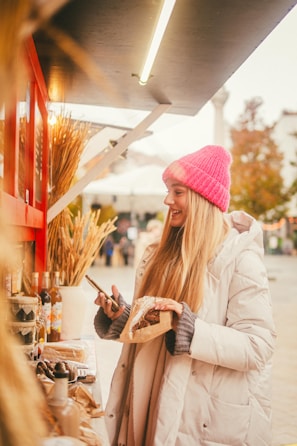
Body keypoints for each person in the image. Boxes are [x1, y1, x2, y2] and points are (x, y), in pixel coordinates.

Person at [93, 145, 276, 446]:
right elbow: (158, 326)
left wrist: (193, 331)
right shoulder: (160, 255)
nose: (167, 200)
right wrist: (124, 317)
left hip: (199, 417)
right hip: (146, 400)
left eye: (177, 192)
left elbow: (259, 346)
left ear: (202, 198)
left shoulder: (241, 259)